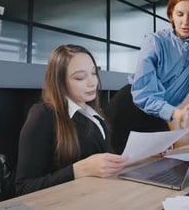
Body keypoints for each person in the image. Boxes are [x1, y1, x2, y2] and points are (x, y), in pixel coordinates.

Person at [105, 0, 189, 154]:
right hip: (129, 109)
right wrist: (173, 112)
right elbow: (144, 95)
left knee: (161, 166)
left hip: (161, 114)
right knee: (118, 171)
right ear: (171, 15)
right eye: (179, 14)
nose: (185, 22)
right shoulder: (154, 42)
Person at [15, 44, 128, 196]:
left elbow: (105, 158)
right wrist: (80, 170)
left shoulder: (95, 113)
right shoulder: (43, 115)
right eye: (80, 77)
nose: (92, 82)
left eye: (94, 73)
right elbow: (24, 187)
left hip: (99, 198)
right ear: (60, 81)